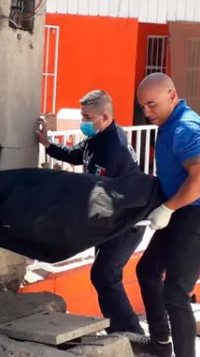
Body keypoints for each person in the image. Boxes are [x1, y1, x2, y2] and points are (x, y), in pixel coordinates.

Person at [132, 73, 200, 357]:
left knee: (175, 295)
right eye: (143, 106)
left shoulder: (185, 128)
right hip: (181, 211)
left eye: (152, 105)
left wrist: (168, 208)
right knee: (147, 270)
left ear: (172, 95)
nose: (147, 112)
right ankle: (160, 344)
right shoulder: (168, 121)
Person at [36, 90, 145, 335]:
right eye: (82, 115)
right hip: (111, 222)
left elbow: (95, 191)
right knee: (104, 277)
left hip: (126, 224)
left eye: (87, 117)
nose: (82, 122)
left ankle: (131, 334)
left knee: (105, 276)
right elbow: (77, 154)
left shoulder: (114, 148)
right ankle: (121, 331)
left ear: (105, 117)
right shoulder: (99, 136)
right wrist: (47, 144)